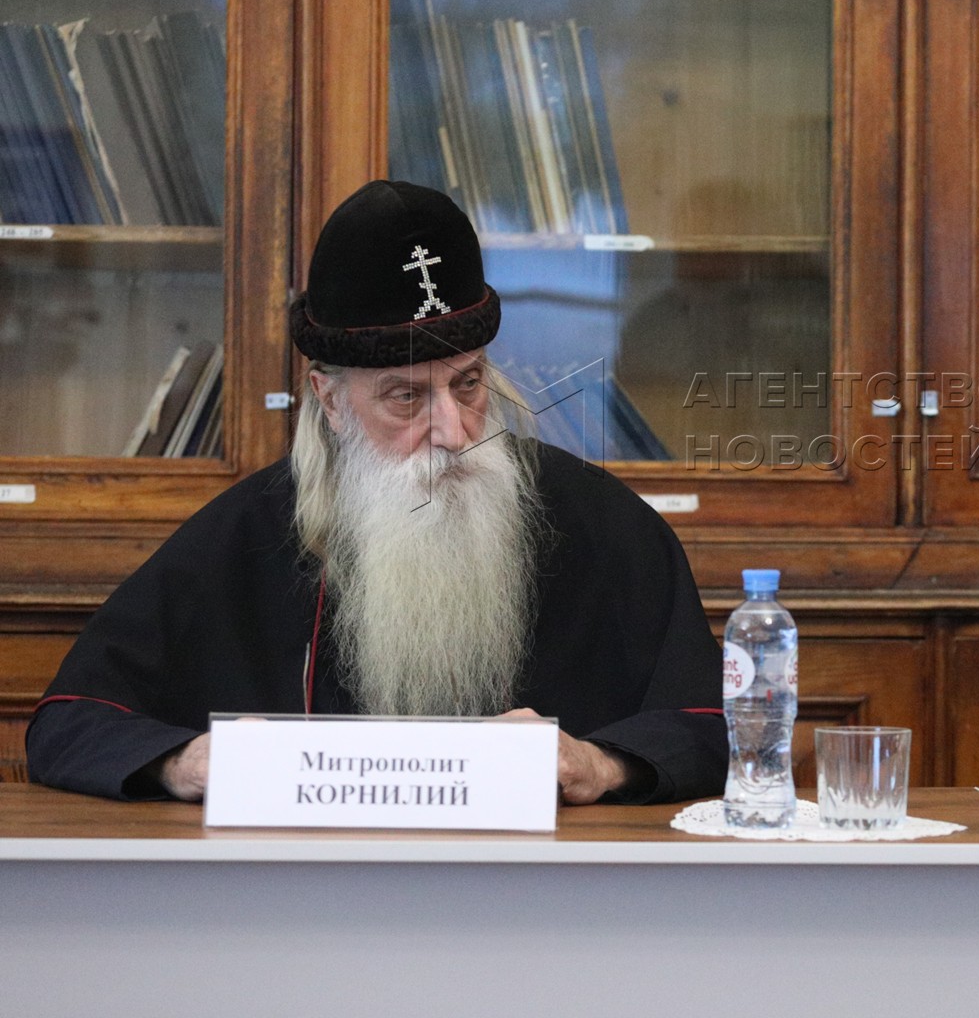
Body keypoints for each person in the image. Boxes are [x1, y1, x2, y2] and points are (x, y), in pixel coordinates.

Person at [29, 180, 727, 805]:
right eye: (406, 397)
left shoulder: (604, 523)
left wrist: (602, 765)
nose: (454, 430)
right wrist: (183, 763)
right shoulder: (244, 531)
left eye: (468, 384)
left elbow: (710, 732)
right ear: (330, 400)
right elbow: (70, 722)